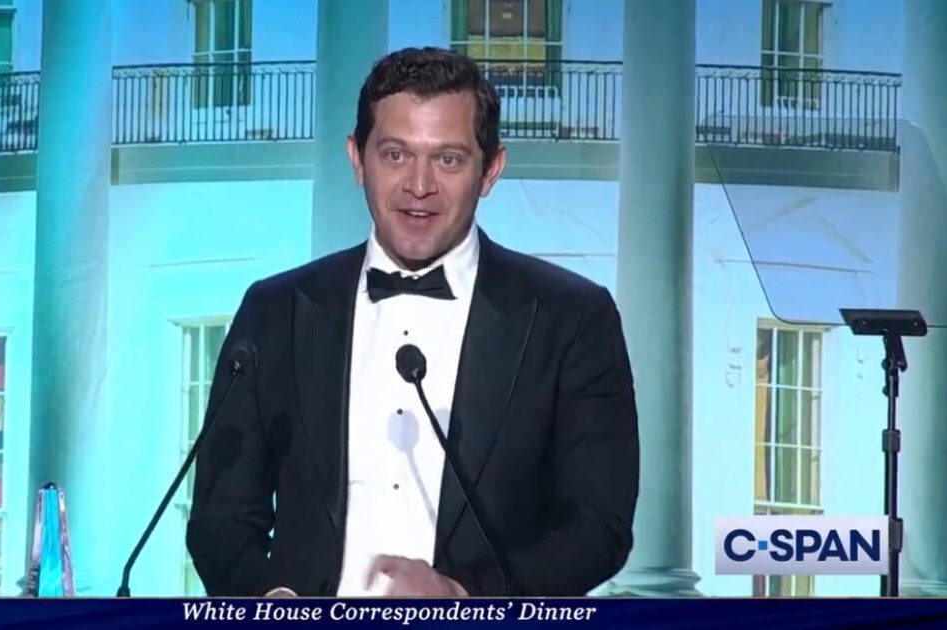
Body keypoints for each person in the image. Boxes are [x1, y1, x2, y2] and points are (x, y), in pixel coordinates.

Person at [187, 47, 639, 597]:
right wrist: (269, 602)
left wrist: (463, 597)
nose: (418, 185)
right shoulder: (274, 310)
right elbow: (220, 519)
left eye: (447, 159)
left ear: (491, 169)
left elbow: (597, 528)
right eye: (395, 155)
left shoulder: (571, 318)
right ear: (357, 159)